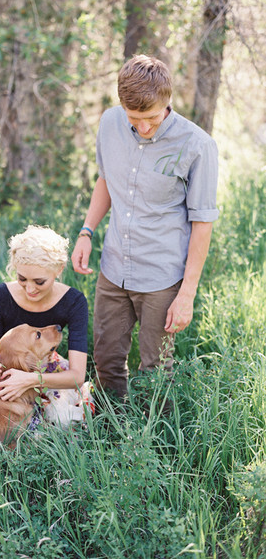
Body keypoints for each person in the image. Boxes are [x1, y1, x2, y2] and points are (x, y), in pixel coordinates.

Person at [71, 54, 219, 398]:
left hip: (161, 279)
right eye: (134, 118)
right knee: (106, 361)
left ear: (168, 101)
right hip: (113, 268)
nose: (144, 128)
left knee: (156, 372)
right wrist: (86, 232)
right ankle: (111, 425)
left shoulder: (197, 145)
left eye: (152, 118)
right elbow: (106, 180)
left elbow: (202, 223)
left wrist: (187, 294)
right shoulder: (110, 123)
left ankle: (153, 431)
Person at [0, 225, 88, 405]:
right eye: (22, 278)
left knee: (65, 414)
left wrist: (31, 380)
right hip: (6, 374)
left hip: (47, 373)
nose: (30, 289)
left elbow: (77, 376)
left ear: (59, 269)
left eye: (39, 281)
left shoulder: (74, 302)